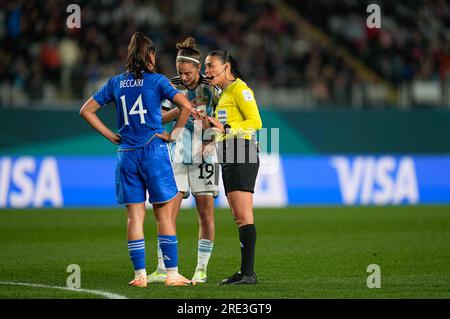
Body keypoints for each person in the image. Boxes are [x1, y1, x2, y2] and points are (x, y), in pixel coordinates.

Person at [79, 32, 195, 287]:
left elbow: (86, 110)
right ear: (151, 56)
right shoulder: (158, 81)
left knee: (134, 217)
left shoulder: (116, 83)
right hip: (153, 152)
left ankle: (139, 276)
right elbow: (186, 106)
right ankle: (172, 274)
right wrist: (175, 134)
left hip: (127, 156)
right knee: (163, 217)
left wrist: (111, 135)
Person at [147, 37, 219, 284]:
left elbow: (222, 123)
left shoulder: (212, 90)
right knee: (167, 212)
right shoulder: (170, 86)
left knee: (205, 213)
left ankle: (201, 268)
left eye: (188, 73)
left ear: (198, 69)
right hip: (177, 155)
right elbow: (160, 117)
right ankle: (161, 267)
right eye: (180, 73)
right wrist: (182, 109)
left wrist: (210, 142)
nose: (184, 78)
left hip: (205, 155)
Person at [204, 50, 262, 285]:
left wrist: (226, 127)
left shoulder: (240, 89)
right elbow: (222, 128)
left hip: (242, 151)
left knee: (243, 215)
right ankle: (246, 272)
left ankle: (248, 273)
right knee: (239, 215)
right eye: (205, 67)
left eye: (210, 66)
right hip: (230, 153)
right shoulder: (223, 93)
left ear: (226, 67)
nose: (206, 72)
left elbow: (255, 122)